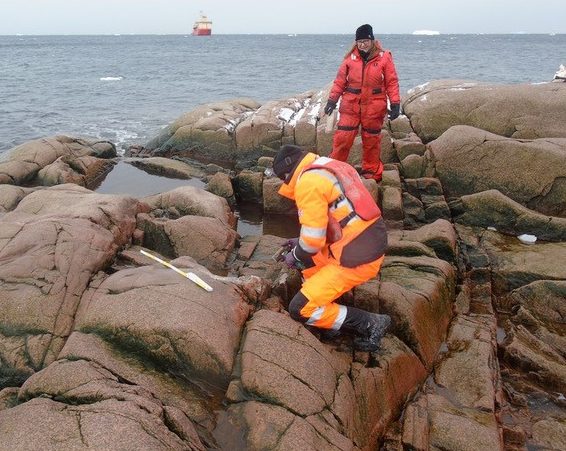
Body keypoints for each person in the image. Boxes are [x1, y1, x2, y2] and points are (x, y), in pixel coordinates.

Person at [271, 144, 391, 352]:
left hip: (356, 256)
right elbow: (339, 217)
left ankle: (371, 323)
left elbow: (311, 242)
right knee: (308, 261)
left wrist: (296, 253)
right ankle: (329, 315)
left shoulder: (307, 183)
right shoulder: (329, 166)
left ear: (287, 174)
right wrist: (299, 243)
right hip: (365, 241)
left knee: (300, 309)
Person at [324, 24, 400, 182]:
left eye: (365, 40)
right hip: (350, 105)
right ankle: (335, 170)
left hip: (374, 106)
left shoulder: (384, 57)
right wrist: (332, 101)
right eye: (359, 41)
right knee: (342, 139)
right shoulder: (349, 59)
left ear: (372, 40)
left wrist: (395, 104)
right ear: (355, 42)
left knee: (371, 141)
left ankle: (371, 172)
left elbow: (392, 82)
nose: (362, 44)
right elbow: (339, 82)